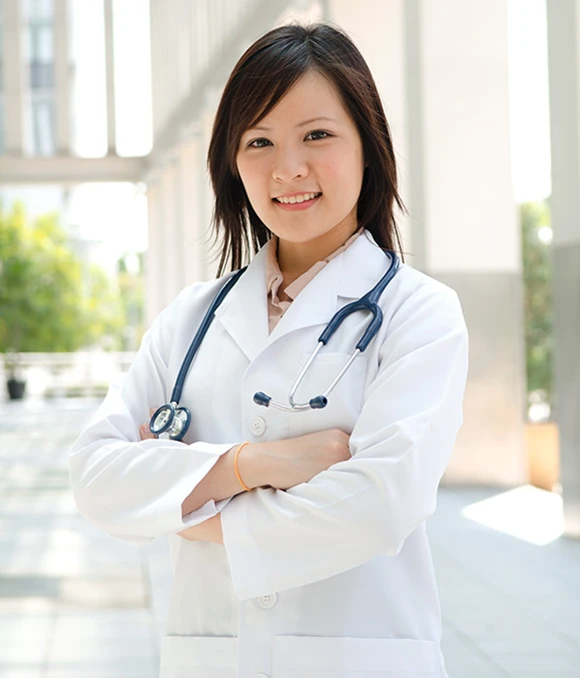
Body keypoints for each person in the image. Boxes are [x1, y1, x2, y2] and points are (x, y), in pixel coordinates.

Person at [70, 21, 469, 678]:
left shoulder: (417, 313)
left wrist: (188, 509)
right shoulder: (191, 320)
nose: (289, 169)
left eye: (316, 135)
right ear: (232, 162)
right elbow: (94, 475)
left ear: (368, 147)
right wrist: (254, 463)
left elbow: (378, 505)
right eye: (259, 142)